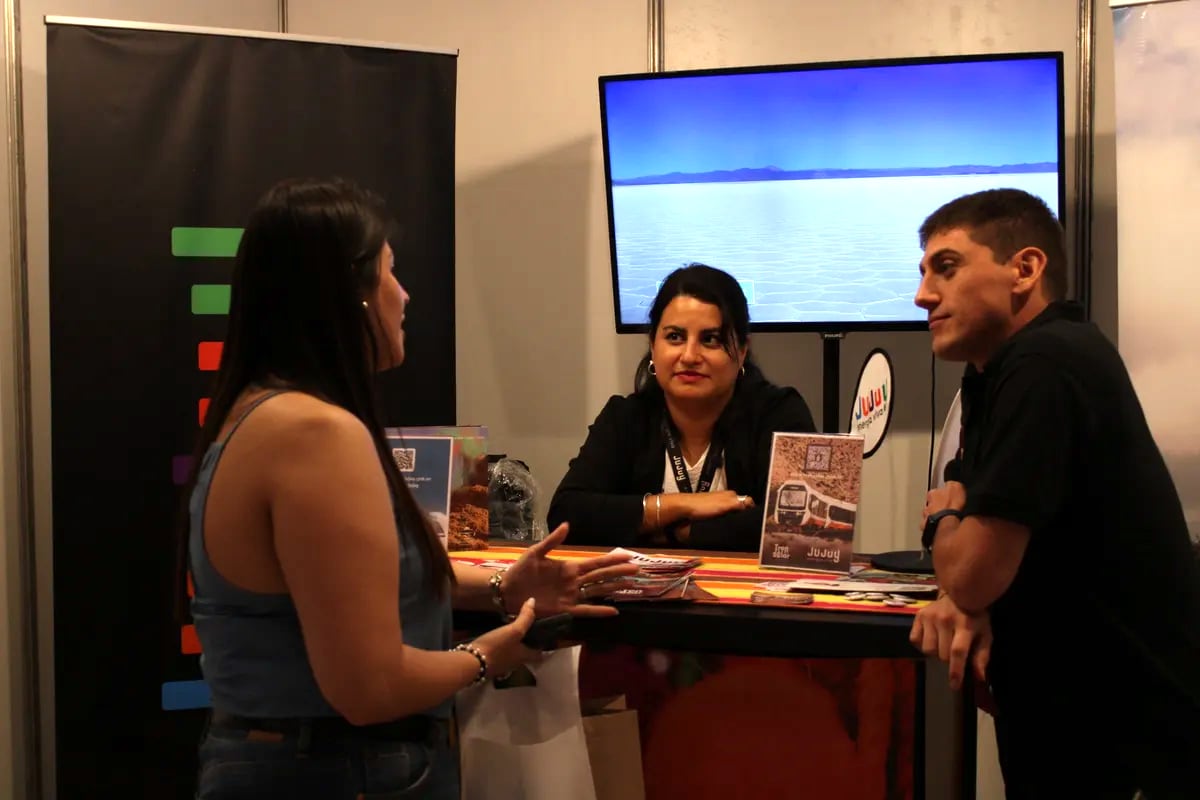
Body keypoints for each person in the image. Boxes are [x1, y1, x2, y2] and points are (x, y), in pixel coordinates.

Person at [174, 177, 638, 799]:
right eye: (391, 271)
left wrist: (500, 584)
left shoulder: (255, 414)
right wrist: (487, 657)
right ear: (353, 295)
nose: (404, 294)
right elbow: (370, 687)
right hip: (339, 772)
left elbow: (339, 590)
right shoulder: (317, 434)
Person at [906, 188, 1200, 797]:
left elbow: (971, 567)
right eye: (923, 272)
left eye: (947, 267)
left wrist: (944, 526)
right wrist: (966, 576)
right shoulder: (999, 369)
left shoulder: (1045, 363)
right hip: (1078, 713)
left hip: (1122, 733)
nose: (923, 295)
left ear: (1026, 269)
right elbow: (983, 533)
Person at [548, 263, 816, 551]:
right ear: (653, 345)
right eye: (675, 337)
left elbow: (805, 527)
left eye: (710, 339)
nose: (689, 356)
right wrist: (682, 504)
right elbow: (566, 514)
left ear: (741, 351)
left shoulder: (779, 413)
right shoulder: (625, 417)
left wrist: (677, 533)